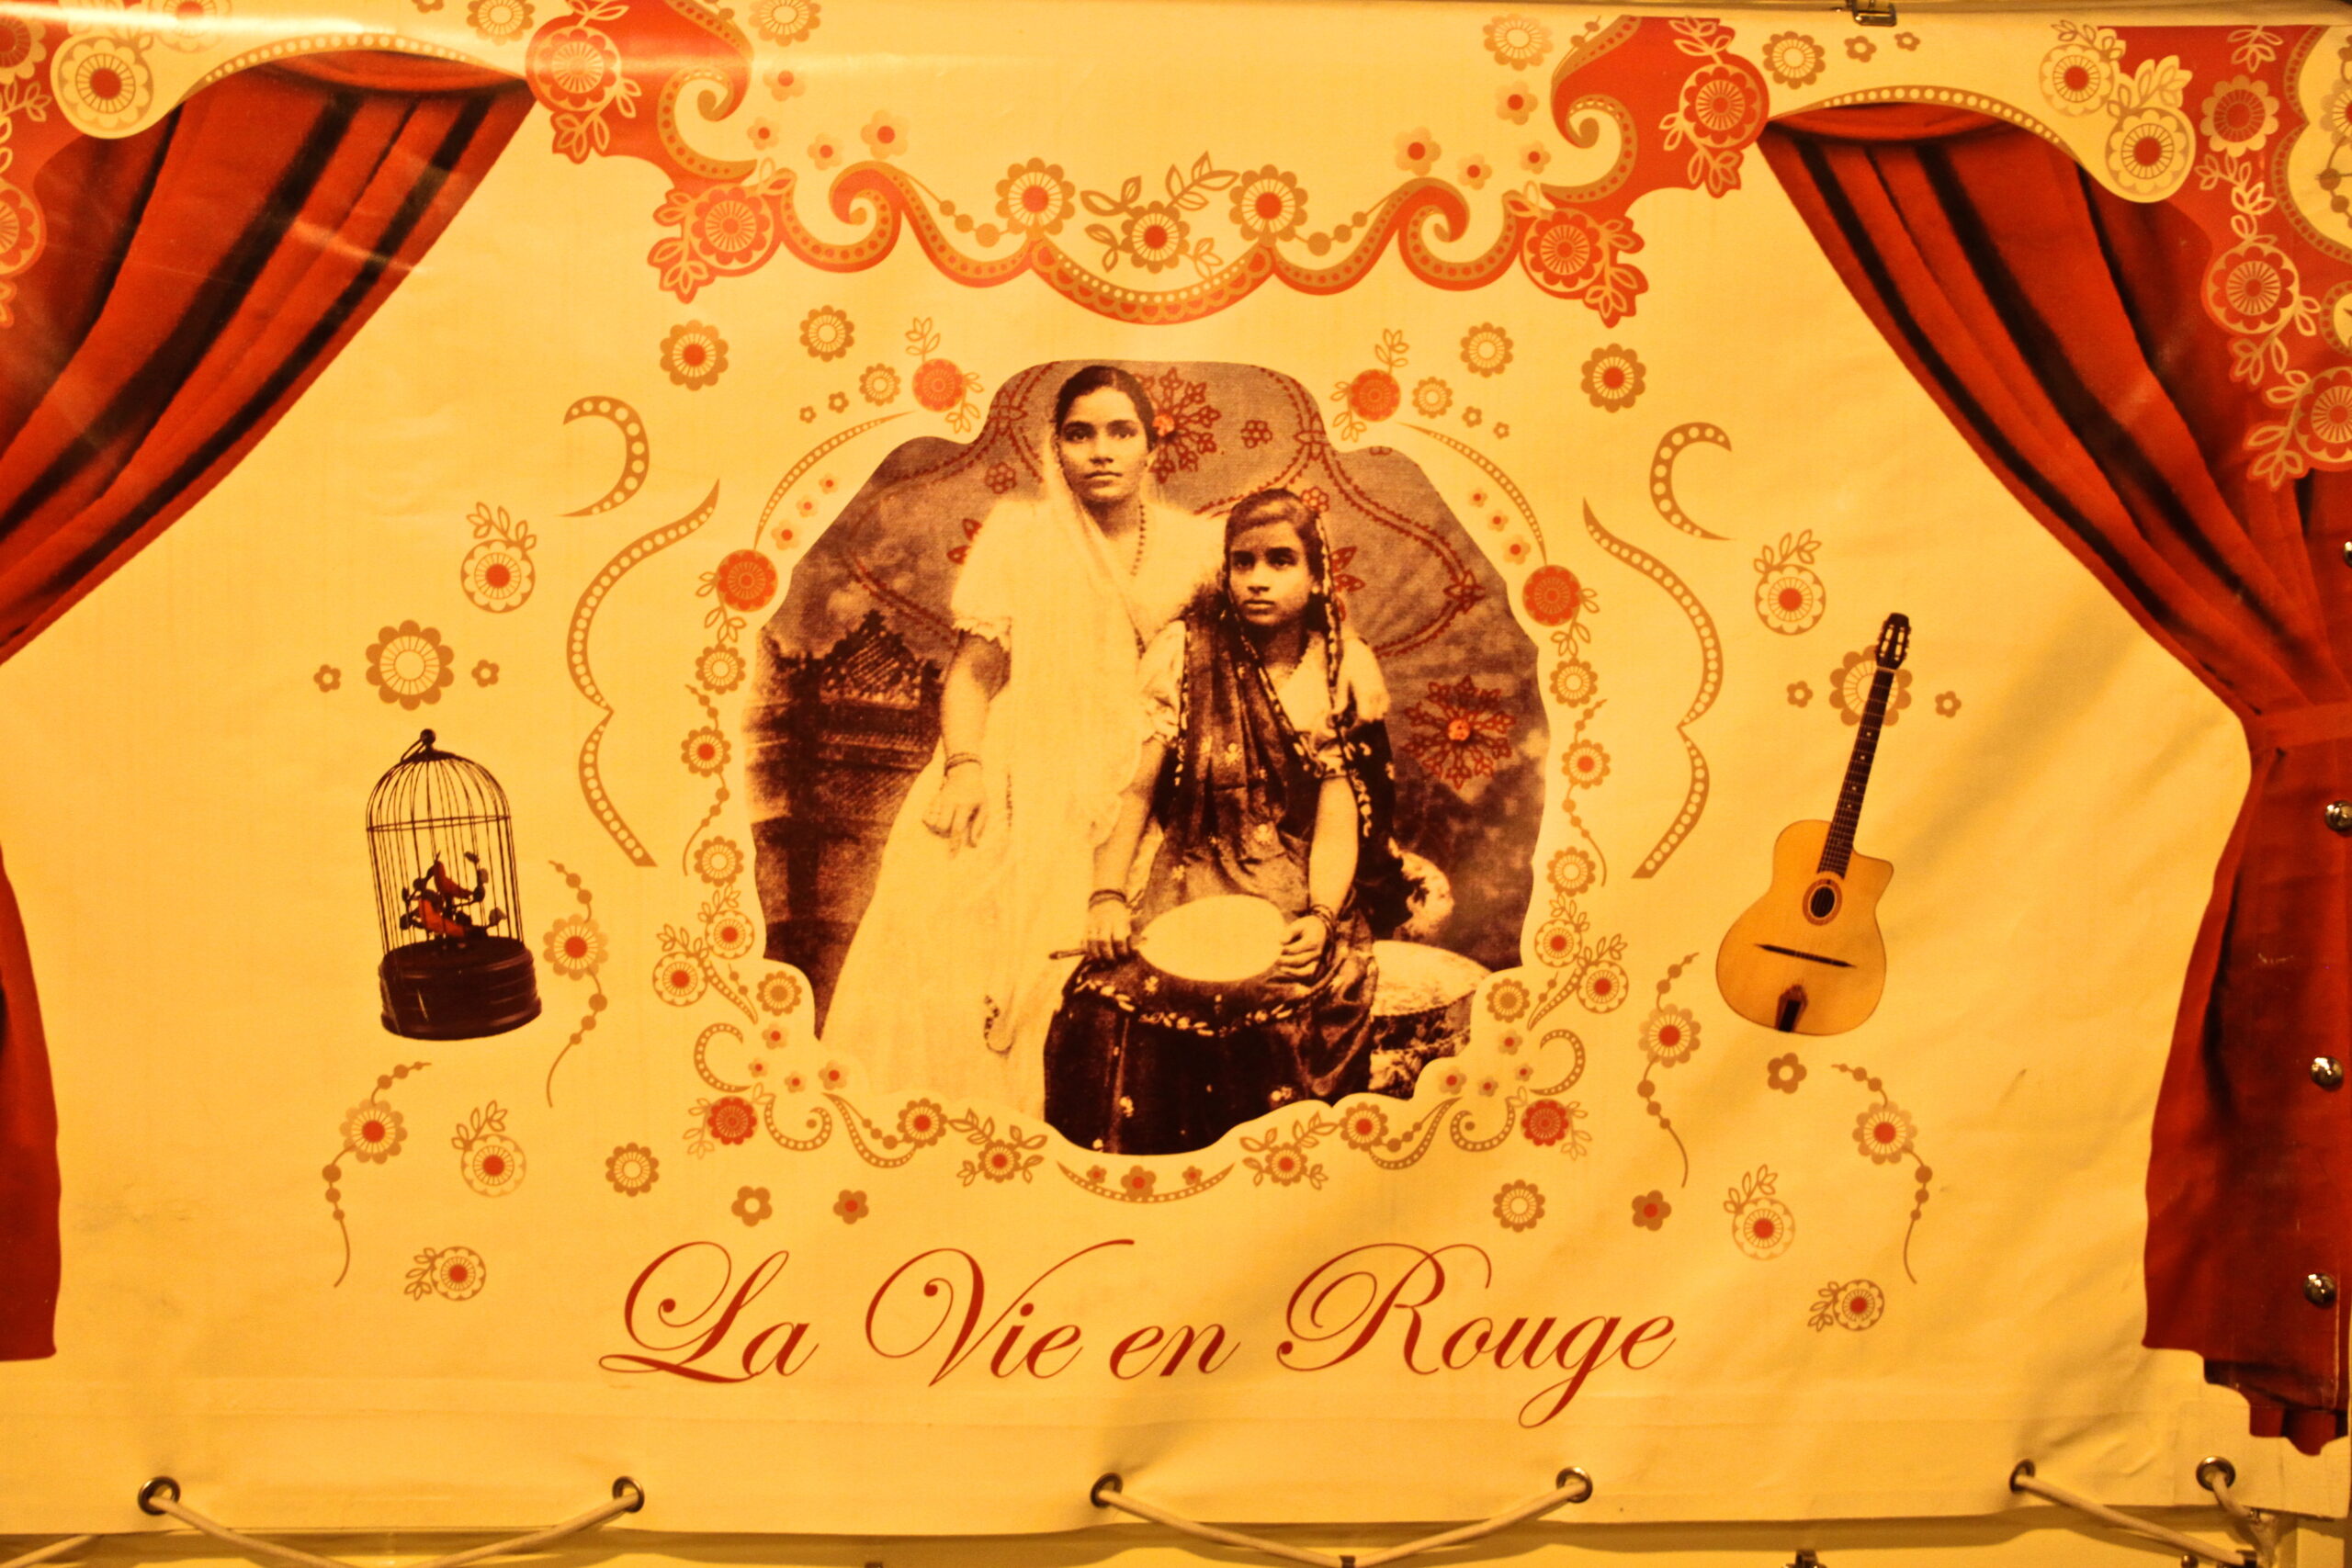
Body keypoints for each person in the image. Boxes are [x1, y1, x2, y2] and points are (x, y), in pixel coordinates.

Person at [824, 366, 1220, 1112]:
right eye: (1079, 434)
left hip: (1138, 775)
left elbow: (1300, 617)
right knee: (941, 934)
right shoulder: (1020, 536)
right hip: (1018, 765)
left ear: (1151, 446)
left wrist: (1357, 662)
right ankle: (952, 1128)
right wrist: (965, 769)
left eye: (1121, 432)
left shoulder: (1199, 546)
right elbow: (973, 676)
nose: (1100, 451)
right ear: (1056, 447)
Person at [1042, 488, 1413, 1155]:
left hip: (1295, 882)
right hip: (1188, 875)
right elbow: (1135, 790)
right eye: (1244, 562)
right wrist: (1106, 897)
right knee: (1099, 1002)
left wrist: (1321, 917)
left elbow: (1337, 818)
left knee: (1276, 1005)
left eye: (1281, 560)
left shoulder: (1334, 670)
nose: (1258, 579)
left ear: (1317, 576)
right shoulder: (1186, 652)